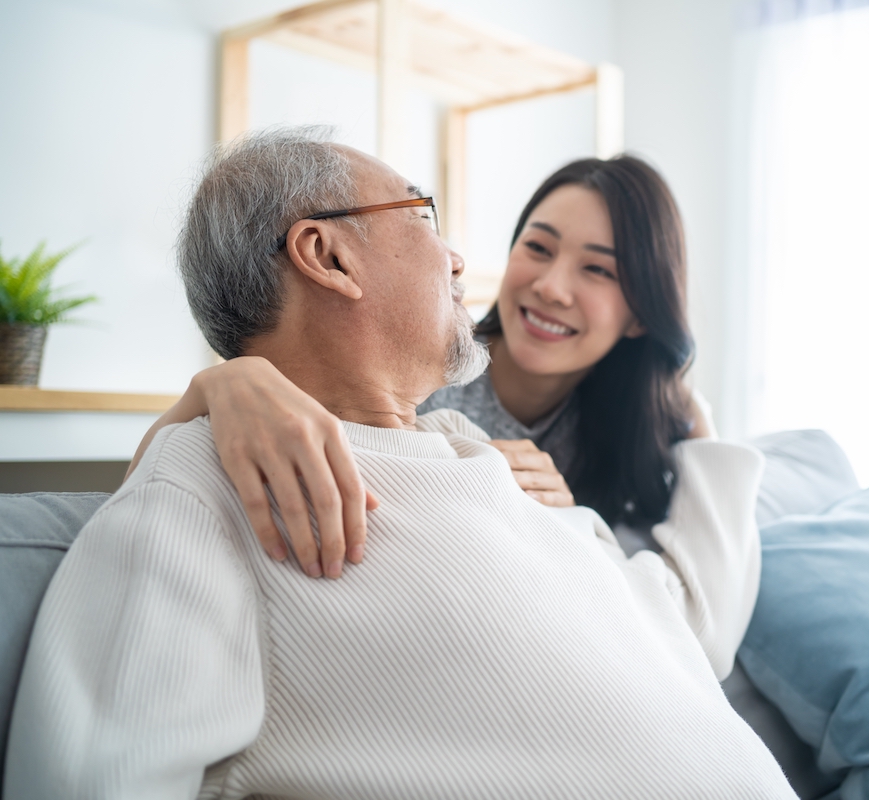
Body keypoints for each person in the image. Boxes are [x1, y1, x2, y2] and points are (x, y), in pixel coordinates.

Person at [4, 127, 794, 799]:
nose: (457, 257)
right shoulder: (211, 488)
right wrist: (211, 398)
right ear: (327, 254)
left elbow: (679, 634)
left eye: (600, 269)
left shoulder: (483, 460)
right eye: (423, 215)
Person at [128, 152, 712, 579]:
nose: (551, 287)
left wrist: (572, 519)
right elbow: (144, 505)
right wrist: (221, 382)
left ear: (643, 312)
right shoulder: (417, 376)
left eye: (599, 270)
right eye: (537, 248)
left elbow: (672, 612)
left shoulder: (647, 425)